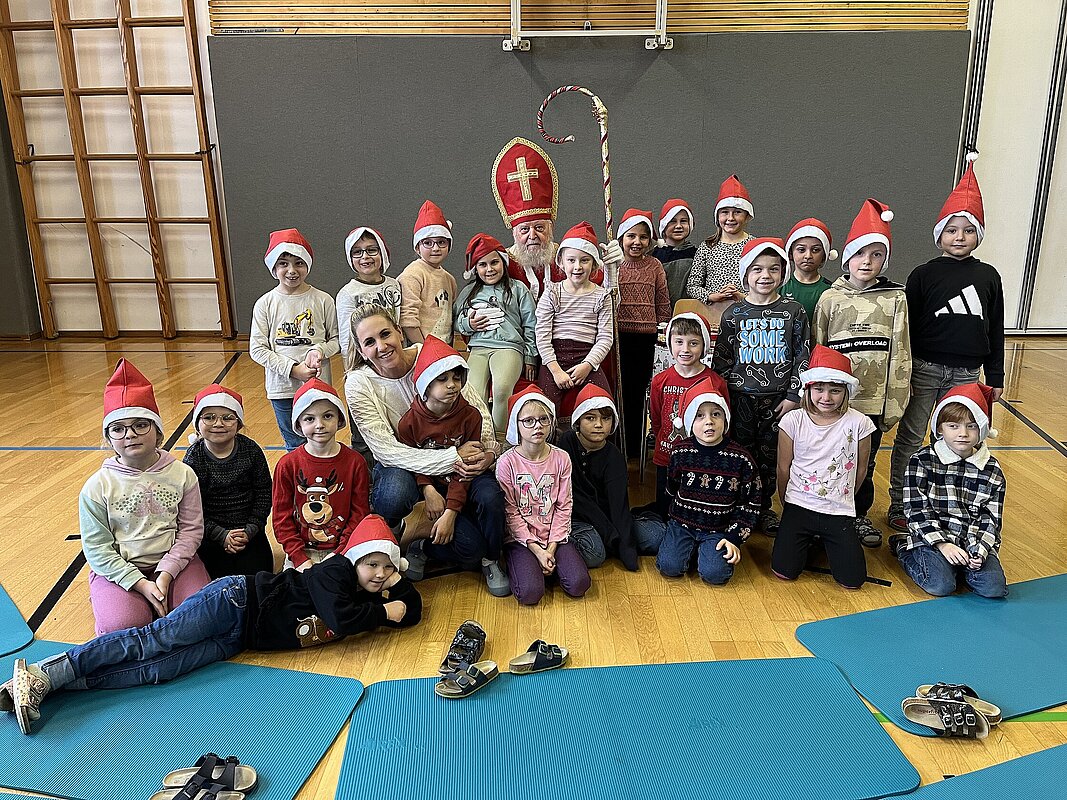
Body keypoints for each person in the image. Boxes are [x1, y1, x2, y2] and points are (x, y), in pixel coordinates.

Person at [3, 515, 421, 736]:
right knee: (153, 640)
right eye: (373, 564)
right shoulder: (336, 573)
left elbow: (413, 612)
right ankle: (46, 672)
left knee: (159, 670)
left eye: (387, 567)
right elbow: (340, 618)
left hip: (240, 638)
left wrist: (398, 581)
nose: (379, 574)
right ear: (355, 559)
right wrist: (386, 611)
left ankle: (55, 687)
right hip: (234, 601)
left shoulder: (370, 591)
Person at [342, 305, 505, 580]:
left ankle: (445, 533)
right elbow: (386, 451)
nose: (381, 346)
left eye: (385, 334)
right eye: (369, 342)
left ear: (399, 331)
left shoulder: (432, 356)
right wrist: (451, 459)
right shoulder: (358, 383)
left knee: (480, 528)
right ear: (360, 350)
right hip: (407, 466)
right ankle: (390, 535)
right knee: (394, 494)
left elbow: (478, 413)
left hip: (458, 469)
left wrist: (488, 454)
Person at [887, 157, 1005, 532]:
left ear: (978, 235)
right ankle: (901, 502)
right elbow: (907, 328)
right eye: (951, 230)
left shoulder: (989, 276)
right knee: (911, 435)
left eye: (968, 230)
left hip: (967, 374)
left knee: (957, 438)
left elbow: (996, 327)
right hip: (925, 369)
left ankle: (947, 503)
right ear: (939, 235)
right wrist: (904, 371)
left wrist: (995, 376)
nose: (959, 237)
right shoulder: (923, 275)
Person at [81, 359, 211, 635]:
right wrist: (140, 584)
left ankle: (158, 598)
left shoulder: (182, 474)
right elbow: (97, 549)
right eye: (118, 428)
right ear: (108, 437)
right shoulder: (96, 487)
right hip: (120, 569)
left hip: (176, 563)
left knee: (201, 616)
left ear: (158, 431)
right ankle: (116, 599)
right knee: (122, 626)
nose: (130, 434)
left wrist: (164, 576)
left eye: (141, 425)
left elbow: (190, 531)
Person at [813, 199, 911, 548]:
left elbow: (901, 352)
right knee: (830, 458)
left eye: (876, 255)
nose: (866, 262)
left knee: (864, 464)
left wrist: (894, 404)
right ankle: (825, 513)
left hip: (872, 403)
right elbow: (818, 350)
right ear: (847, 257)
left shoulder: (896, 299)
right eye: (859, 254)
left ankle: (858, 514)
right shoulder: (830, 299)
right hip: (833, 402)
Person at [395, 336, 508, 596]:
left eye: (457, 378)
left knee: (491, 498)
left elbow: (466, 467)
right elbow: (413, 461)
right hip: (438, 487)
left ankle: (491, 559)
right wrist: (427, 490)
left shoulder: (471, 416)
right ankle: (423, 546)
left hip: (467, 479)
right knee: (471, 549)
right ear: (426, 385)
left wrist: (451, 513)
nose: (452, 385)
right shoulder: (408, 424)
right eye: (442, 379)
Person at [712, 237, 810, 534]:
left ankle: (763, 507)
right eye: (757, 269)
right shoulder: (734, 314)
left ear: (783, 272)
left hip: (778, 400)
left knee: (769, 457)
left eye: (773, 269)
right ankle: (739, 505)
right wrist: (723, 399)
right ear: (746, 273)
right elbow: (722, 360)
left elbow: (802, 355)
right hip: (740, 398)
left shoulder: (794, 311)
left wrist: (794, 395)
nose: (765, 276)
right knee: (739, 453)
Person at [771, 346, 876, 590]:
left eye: (835, 390)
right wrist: (787, 503)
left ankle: (822, 541)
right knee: (784, 570)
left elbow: (861, 470)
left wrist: (843, 497)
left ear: (846, 391)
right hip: (799, 504)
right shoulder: (793, 420)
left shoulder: (860, 423)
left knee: (852, 580)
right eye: (819, 389)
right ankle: (807, 538)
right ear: (808, 389)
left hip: (838, 509)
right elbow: (783, 468)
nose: (826, 397)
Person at [891, 384, 1007, 598]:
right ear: (940, 429)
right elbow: (916, 511)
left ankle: (957, 567)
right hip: (932, 538)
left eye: (971, 426)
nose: (963, 434)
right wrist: (943, 544)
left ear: (982, 429)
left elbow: (990, 518)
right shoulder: (922, 461)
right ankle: (904, 548)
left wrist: (979, 551)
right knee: (940, 586)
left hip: (971, 539)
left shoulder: (992, 469)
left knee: (994, 589)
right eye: (953, 426)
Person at [655, 375, 761, 585]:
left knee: (715, 575)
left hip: (719, 529)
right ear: (689, 422)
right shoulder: (680, 452)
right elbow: (671, 487)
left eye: (716, 414)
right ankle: (690, 550)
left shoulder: (741, 459)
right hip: (682, 523)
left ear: (725, 420)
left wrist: (734, 537)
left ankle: (704, 552)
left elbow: (750, 504)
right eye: (699, 416)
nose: (709, 421)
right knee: (669, 567)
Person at [492, 137, 621, 299]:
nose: (532, 235)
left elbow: (606, 299)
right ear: (514, 232)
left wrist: (611, 271)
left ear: (551, 228)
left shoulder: (569, 258)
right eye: (524, 229)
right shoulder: (500, 264)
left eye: (539, 227)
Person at [496, 386, 590, 605]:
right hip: (521, 540)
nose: (537, 426)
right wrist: (537, 550)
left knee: (579, 584)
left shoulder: (561, 458)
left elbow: (564, 505)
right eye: (528, 421)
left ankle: (548, 565)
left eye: (543, 419)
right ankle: (531, 566)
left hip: (554, 537)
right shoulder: (506, 463)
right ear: (516, 425)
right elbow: (511, 513)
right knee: (530, 593)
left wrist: (552, 547)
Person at [250, 228, 340, 451]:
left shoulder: (323, 300)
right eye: (284, 264)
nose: (292, 270)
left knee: (321, 442)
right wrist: (293, 369)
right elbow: (257, 349)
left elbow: (337, 340)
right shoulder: (265, 303)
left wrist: (319, 351)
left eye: (299, 263)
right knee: (294, 445)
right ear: (274, 268)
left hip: (317, 388)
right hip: (282, 390)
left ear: (307, 264)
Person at [272, 379, 369, 570]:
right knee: (293, 588)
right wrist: (299, 558)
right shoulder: (287, 465)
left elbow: (360, 513)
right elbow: (281, 518)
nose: (319, 425)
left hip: (344, 549)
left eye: (327, 416)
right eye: (310, 419)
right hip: (301, 552)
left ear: (339, 419)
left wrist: (339, 553)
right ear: (298, 424)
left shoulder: (355, 462)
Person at [183, 384, 274, 578]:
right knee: (215, 580)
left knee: (259, 578)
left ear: (238, 423)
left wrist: (250, 530)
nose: (218, 424)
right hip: (210, 534)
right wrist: (220, 535)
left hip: (249, 532)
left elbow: (264, 493)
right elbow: (191, 507)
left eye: (227, 418)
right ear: (197, 424)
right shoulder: (194, 457)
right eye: (209, 417)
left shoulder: (251, 451)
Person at [558, 384, 650, 571]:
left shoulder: (614, 456)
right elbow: (574, 496)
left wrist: (627, 550)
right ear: (578, 421)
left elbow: (619, 506)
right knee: (595, 553)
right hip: (574, 518)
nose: (599, 425)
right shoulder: (566, 443)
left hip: (606, 516)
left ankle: (607, 540)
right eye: (590, 418)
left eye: (606, 418)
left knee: (655, 537)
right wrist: (609, 533)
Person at [454, 233, 537, 440]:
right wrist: (469, 324)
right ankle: (481, 438)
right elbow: (456, 320)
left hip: (508, 347)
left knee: (501, 389)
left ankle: (500, 439)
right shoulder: (469, 292)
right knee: (473, 392)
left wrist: (530, 356)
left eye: (494, 263)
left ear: (503, 262)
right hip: (479, 348)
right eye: (482, 265)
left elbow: (531, 323)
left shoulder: (517, 289)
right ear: (475, 268)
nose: (489, 269)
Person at [534, 221, 615, 420]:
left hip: (586, 356)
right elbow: (542, 335)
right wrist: (556, 370)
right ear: (561, 262)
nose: (577, 267)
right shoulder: (552, 293)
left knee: (602, 404)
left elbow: (605, 338)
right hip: (554, 357)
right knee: (545, 409)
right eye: (571, 260)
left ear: (594, 264)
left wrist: (587, 365)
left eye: (584, 260)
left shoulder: (602, 296)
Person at [615, 208, 672, 455]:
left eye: (643, 237)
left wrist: (664, 329)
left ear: (650, 240)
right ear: (621, 238)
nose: (637, 242)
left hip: (646, 338)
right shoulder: (613, 264)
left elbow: (662, 301)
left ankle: (634, 447)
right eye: (631, 236)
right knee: (619, 390)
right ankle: (615, 442)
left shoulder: (654, 266)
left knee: (638, 392)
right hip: (618, 336)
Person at [649, 311, 716, 515]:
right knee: (664, 507)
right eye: (679, 342)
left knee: (694, 507)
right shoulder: (660, 381)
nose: (685, 349)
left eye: (693, 343)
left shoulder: (714, 382)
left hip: (700, 459)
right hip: (666, 456)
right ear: (670, 344)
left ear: (704, 345)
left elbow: (722, 424)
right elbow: (656, 418)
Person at [336, 226, 402, 363]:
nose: (365, 256)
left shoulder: (395, 285)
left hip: (395, 356)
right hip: (368, 362)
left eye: (371, 250)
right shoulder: (347, 294)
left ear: (382, 252)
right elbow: (347, 339)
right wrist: (352, 369)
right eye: (357, 252)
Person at [686, 175, 755, 304]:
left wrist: (742, 296)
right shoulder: (707, 246)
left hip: (747, 311)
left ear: (747, 216)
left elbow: (763, 285)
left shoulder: (754, 246)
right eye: (725, 212)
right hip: (712, 312)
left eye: (737, 212)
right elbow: (692, 286)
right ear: (717, 216)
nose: (730, 218)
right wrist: (712, 296)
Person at [397, 200, 457, 344]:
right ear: (418, 247)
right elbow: (408, 320)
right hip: (421, 348)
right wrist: (424, 348)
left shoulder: (449, 279)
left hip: (445, 347)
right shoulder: (412, 274)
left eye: (441, 242)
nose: (435, 248)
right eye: (428, 243)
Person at [781, 218, 836, 324]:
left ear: (824, 255)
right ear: (790, 253)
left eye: (815, 250)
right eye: (801, 250)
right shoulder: (780, 287)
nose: (808, 256)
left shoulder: (831, 290)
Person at [653, 199, 698, 308]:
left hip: (689, 311)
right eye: (672, 221)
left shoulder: (697, 255)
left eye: (683, 221)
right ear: (664, 226)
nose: (678, 226)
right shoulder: (654, 255)